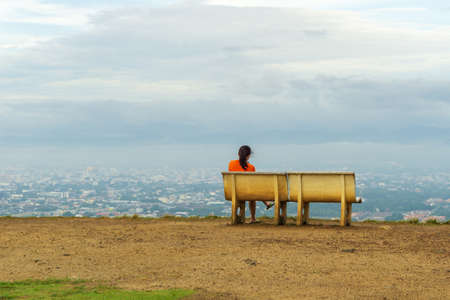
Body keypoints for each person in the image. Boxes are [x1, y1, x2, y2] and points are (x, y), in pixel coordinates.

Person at [228, 145, 273, 223]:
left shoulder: (231, 163)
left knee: (252, 192)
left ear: (238, 154)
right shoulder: (251, 167)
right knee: (253, 194)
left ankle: (266, 203)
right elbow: (252, 183)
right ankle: (253, 218)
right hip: (246, 192)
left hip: (234, 191)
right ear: (248, 156)